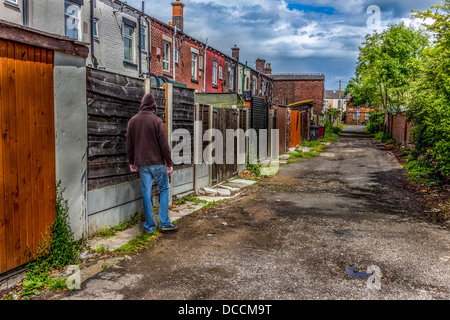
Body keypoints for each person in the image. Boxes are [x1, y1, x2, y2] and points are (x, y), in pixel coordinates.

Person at [126, 93, 177, 233]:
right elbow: (164, 145)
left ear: (142, 104)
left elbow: (129, 144)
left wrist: (132, 162)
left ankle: (149, 227)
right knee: (164, 189)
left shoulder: (133, 121)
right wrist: (170, 163)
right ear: (153, 105)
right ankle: (165, 222)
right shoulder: (157, 121)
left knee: (146, 193)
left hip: (142, 164)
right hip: (157, 162)